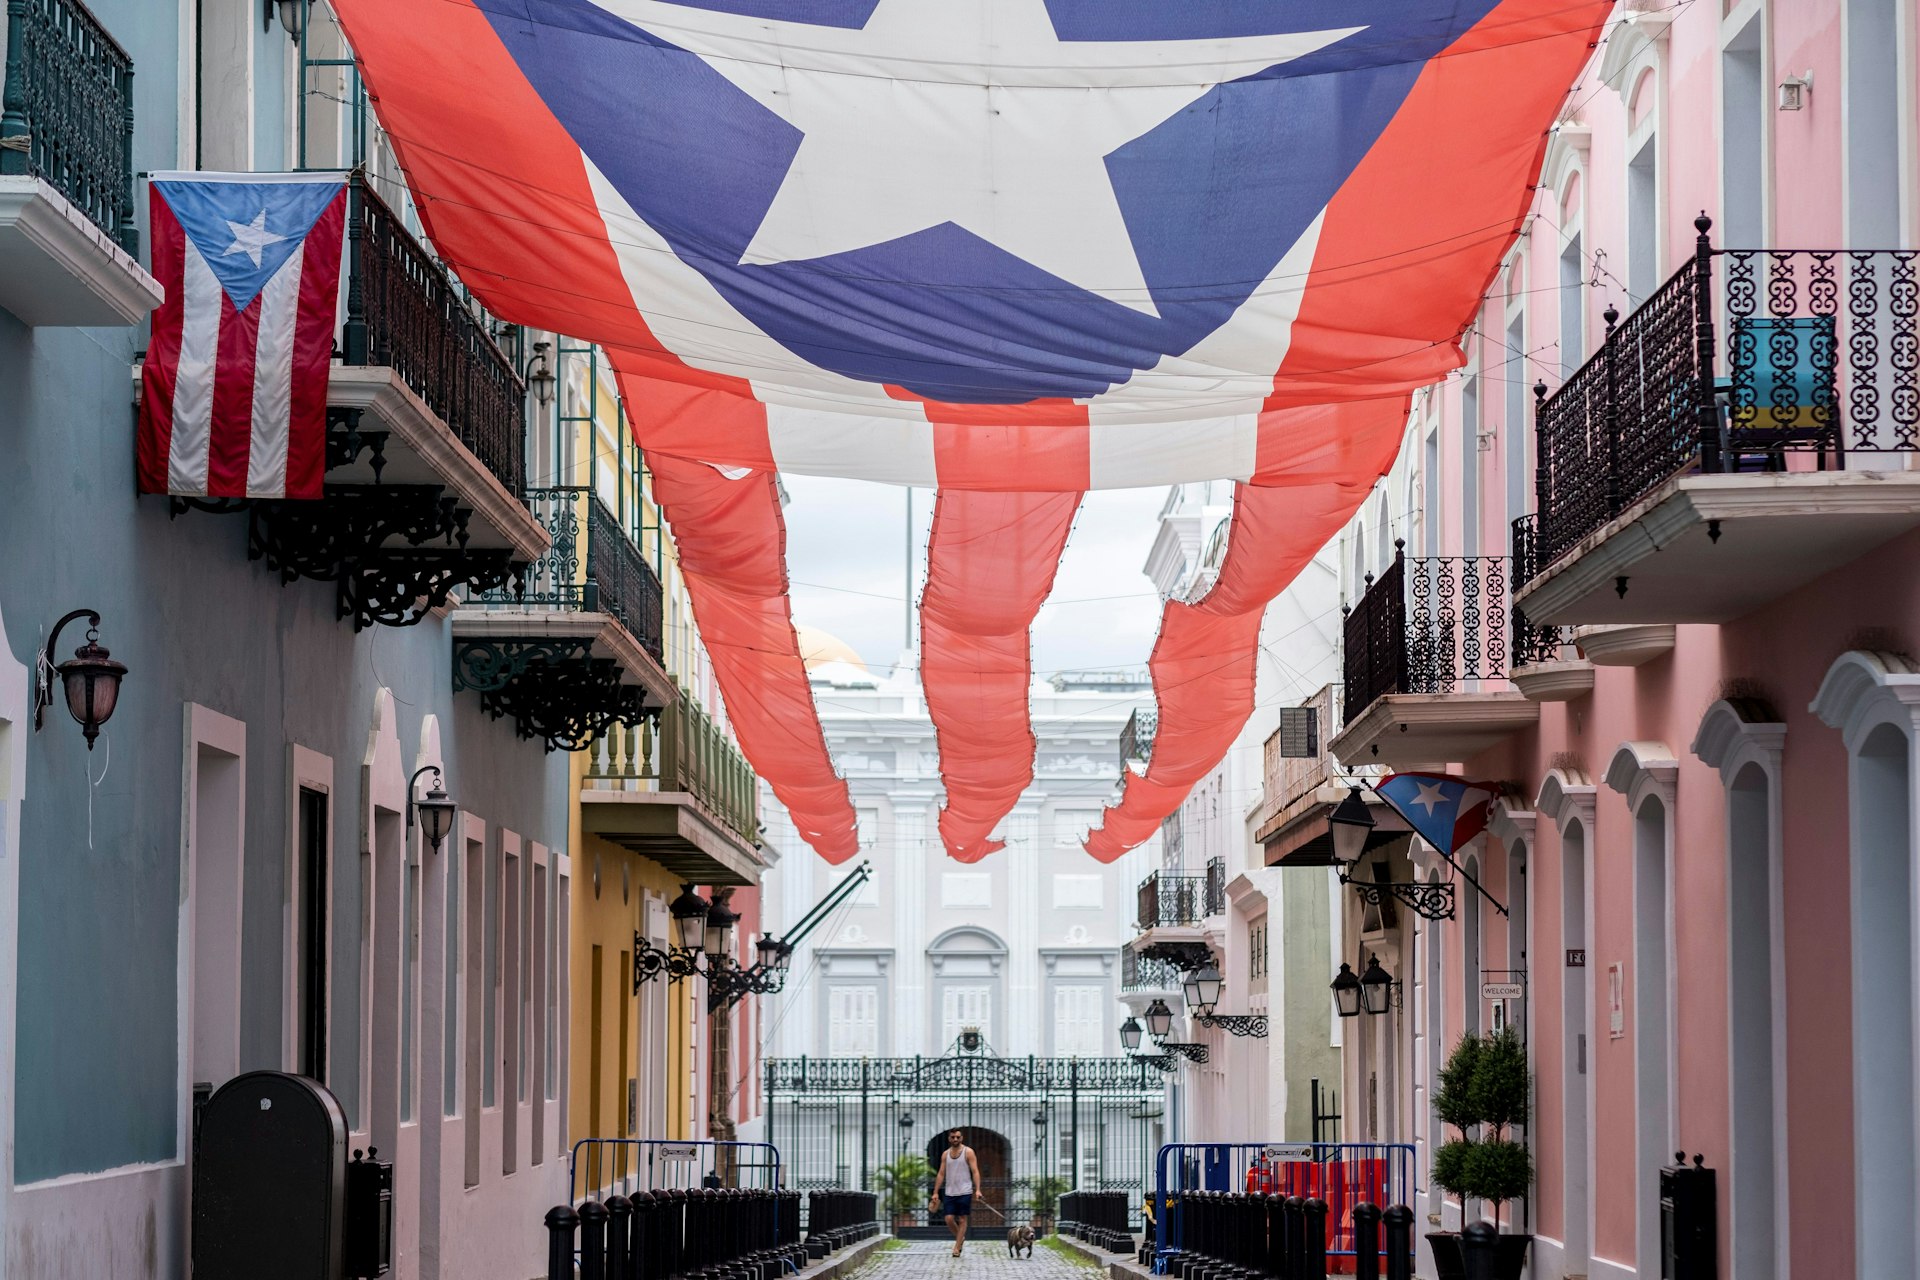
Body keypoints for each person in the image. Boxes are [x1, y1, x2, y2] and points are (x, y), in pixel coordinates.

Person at [931, 1128, 981, 1257]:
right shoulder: (945, 1154)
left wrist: (978, 1190)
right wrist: (935, 1192)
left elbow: (975, 1171)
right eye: (953, 1137)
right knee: (948, 1219)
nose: (955, 1139)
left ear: (961, 1138)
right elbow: (941, 1173)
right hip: (950, 1192)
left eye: (958, 1137)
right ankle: (961, 1238)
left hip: (965, 1191)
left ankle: (957, 1247)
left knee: (963, 1219)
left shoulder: (968, 1152)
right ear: (949, 1138)